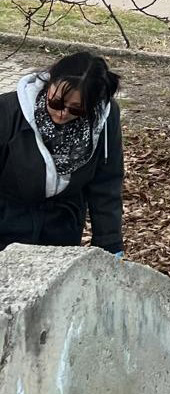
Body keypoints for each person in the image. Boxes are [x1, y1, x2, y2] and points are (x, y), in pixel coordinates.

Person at [0, 51, 124, 255]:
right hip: (7, 226)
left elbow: (106, 183)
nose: (62, 113)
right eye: (56, 102)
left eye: (76, 109)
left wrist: (110, 243)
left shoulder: (106, 121)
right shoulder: (7, 111)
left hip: (62, 230)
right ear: (49, 83)